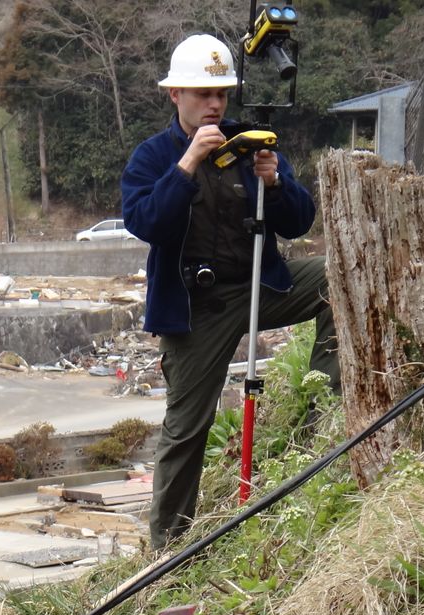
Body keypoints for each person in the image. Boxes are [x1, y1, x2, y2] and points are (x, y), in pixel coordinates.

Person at [120, 34, 339, 551]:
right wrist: (188, 165)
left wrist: (277, 182)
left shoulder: (251, 144)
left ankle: (317, 420)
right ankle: (168, 551)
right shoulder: (153, 157)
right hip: (196, 307)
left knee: (336, 276)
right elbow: (145, 221)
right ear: (175, 95)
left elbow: (300, 220)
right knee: (186, 429)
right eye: (201, 93)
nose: (214, 104)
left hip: (260, 284)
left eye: (221, 93)